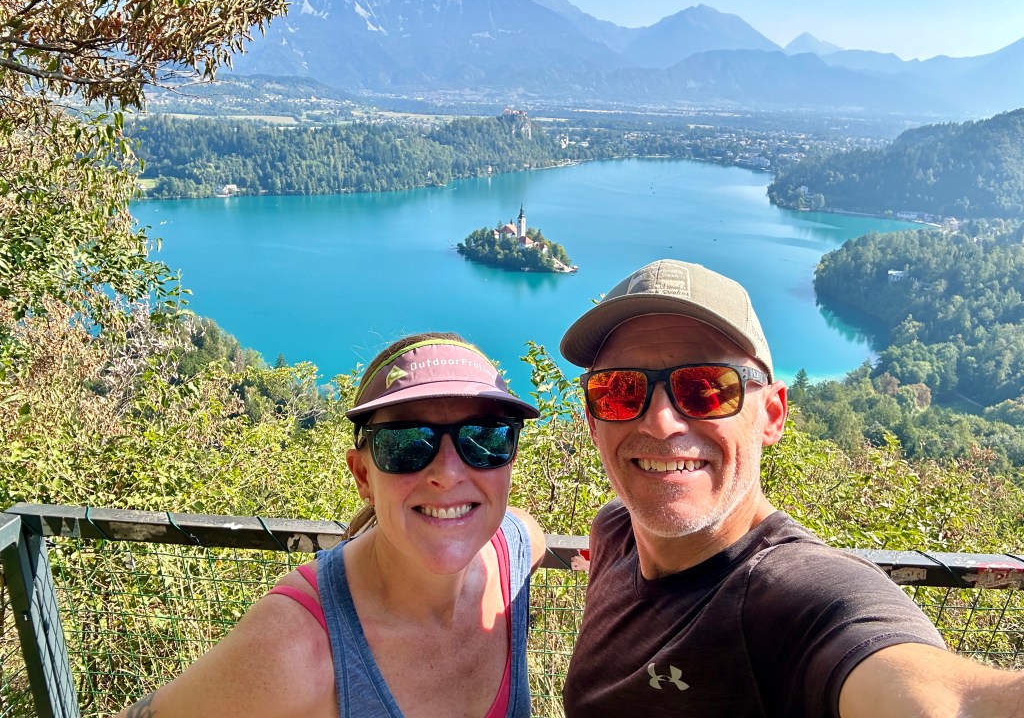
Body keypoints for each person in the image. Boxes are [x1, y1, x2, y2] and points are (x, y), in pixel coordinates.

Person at [558, 259, 1024, 718]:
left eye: (707, 388)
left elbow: (951, 701)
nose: (661, 423)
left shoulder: (800, 597)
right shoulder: (615, 530)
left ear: (772, 415)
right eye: (618, 391)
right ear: (593, 423)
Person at [118, 333, 546, 718]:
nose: (448, 474)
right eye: (405, 444)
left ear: (510, 461)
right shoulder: (293, 647)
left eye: (486, 438)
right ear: (363, 475)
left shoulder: (517, 547)